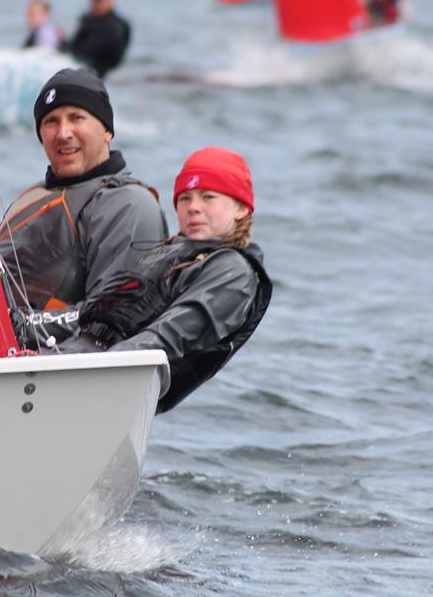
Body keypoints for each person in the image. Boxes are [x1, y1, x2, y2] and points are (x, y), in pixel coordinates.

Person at [27, 146, 272, 414]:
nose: (194, 208)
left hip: (106, 383)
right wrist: (23, 325)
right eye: (185, 199)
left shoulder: (233, 272)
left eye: (208, 197)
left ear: (241, 208)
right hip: (75, 356)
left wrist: (93, 372)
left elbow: (166, 338)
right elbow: (91, 312)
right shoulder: (162, 255)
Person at [0, 67, 168, 322]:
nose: (63, 133)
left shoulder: (130, 206)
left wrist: (20, 327)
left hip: (51, 355)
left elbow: (114, 316)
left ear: (107, 131)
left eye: (76, 118)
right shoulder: (32, 197)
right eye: (51, 121)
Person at [62, 0, 131, 77]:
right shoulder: (86, 20)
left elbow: (87, 51)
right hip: (80, 68)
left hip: (95, 74)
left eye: (100, 0)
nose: (96, 4)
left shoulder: (117, 26)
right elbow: (76, 48)